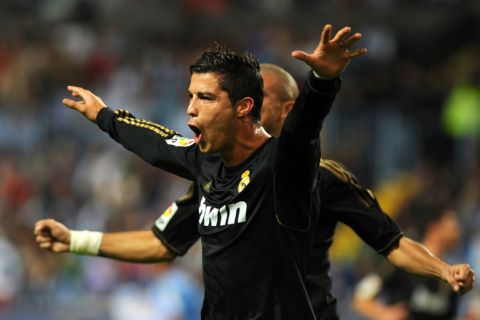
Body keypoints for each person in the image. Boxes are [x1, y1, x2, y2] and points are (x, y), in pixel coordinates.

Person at [35, 59, 475, 319]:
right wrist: (76, 239)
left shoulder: (323, 176)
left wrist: (442, 270)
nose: (248, 108)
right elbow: (161, 243)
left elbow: (391, 242)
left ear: (284, 107)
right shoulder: (212, 174)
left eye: (259, 99)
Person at [35, 24, 367, 319]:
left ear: (243, 106)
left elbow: (303, 129)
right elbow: (158, 144)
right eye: (190, 96)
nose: (191, 108)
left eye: (205, 97)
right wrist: (104, 116)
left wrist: (322, 81)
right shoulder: (206, 165)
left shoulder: (282, 165)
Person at [352, 195, 467, 319]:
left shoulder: (451, 276)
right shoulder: (405, 261)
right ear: (435, 226)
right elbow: (361, 296)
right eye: (452, 221)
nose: (458, 229)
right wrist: (383, 313)